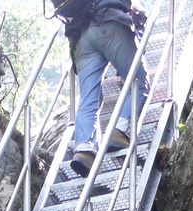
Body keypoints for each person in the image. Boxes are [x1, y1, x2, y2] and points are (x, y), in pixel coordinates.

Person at [53, 0, 149, 177]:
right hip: (110, 23)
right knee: (138, 81)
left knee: (89, 98)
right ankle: (119, 130)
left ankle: (84, 149)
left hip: (80, 38)